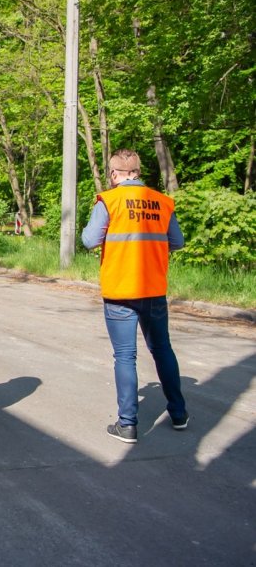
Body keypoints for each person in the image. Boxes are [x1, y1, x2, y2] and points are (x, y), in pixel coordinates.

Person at [81, 149, 188, 444]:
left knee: (125, 356)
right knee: (162, 350)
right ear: (138, 172)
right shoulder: (162, 201)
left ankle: (127, 424)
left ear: (114, 174)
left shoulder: (109, 200)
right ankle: (179, 414)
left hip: (120, 291)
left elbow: (89, 240)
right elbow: (177, 242)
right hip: (153, 289)